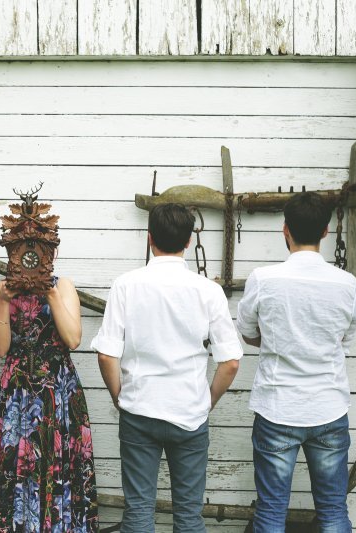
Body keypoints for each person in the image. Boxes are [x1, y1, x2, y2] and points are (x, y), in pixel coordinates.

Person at [93, 203, 243, 533]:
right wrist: (207, 401)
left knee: (138, 511)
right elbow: (230, 362)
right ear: (189, 241)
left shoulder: (126, 285)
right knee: (189, 516)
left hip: (139, 410)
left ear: (149, 238)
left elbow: (106, 356)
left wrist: (120, 397)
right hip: (190, 413)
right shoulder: (209, 291)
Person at [236, 192, 356, 532]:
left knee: (271, 512)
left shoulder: (264, 279)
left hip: (278, 407)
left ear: (285, 229)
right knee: (333, 511)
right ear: (326, 231)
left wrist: (276, 342)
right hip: (328, 407)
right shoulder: (346, 283)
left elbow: (247, 332)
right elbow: (345, 340)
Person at [0, 274, 99, 531]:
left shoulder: (62, 286)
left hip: (57, 392)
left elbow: (73, 339)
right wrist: (4, 301)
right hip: (17, 393)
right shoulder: (2, 288)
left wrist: (51, 294)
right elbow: (0, 347)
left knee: (57, 461)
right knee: (13, 463)